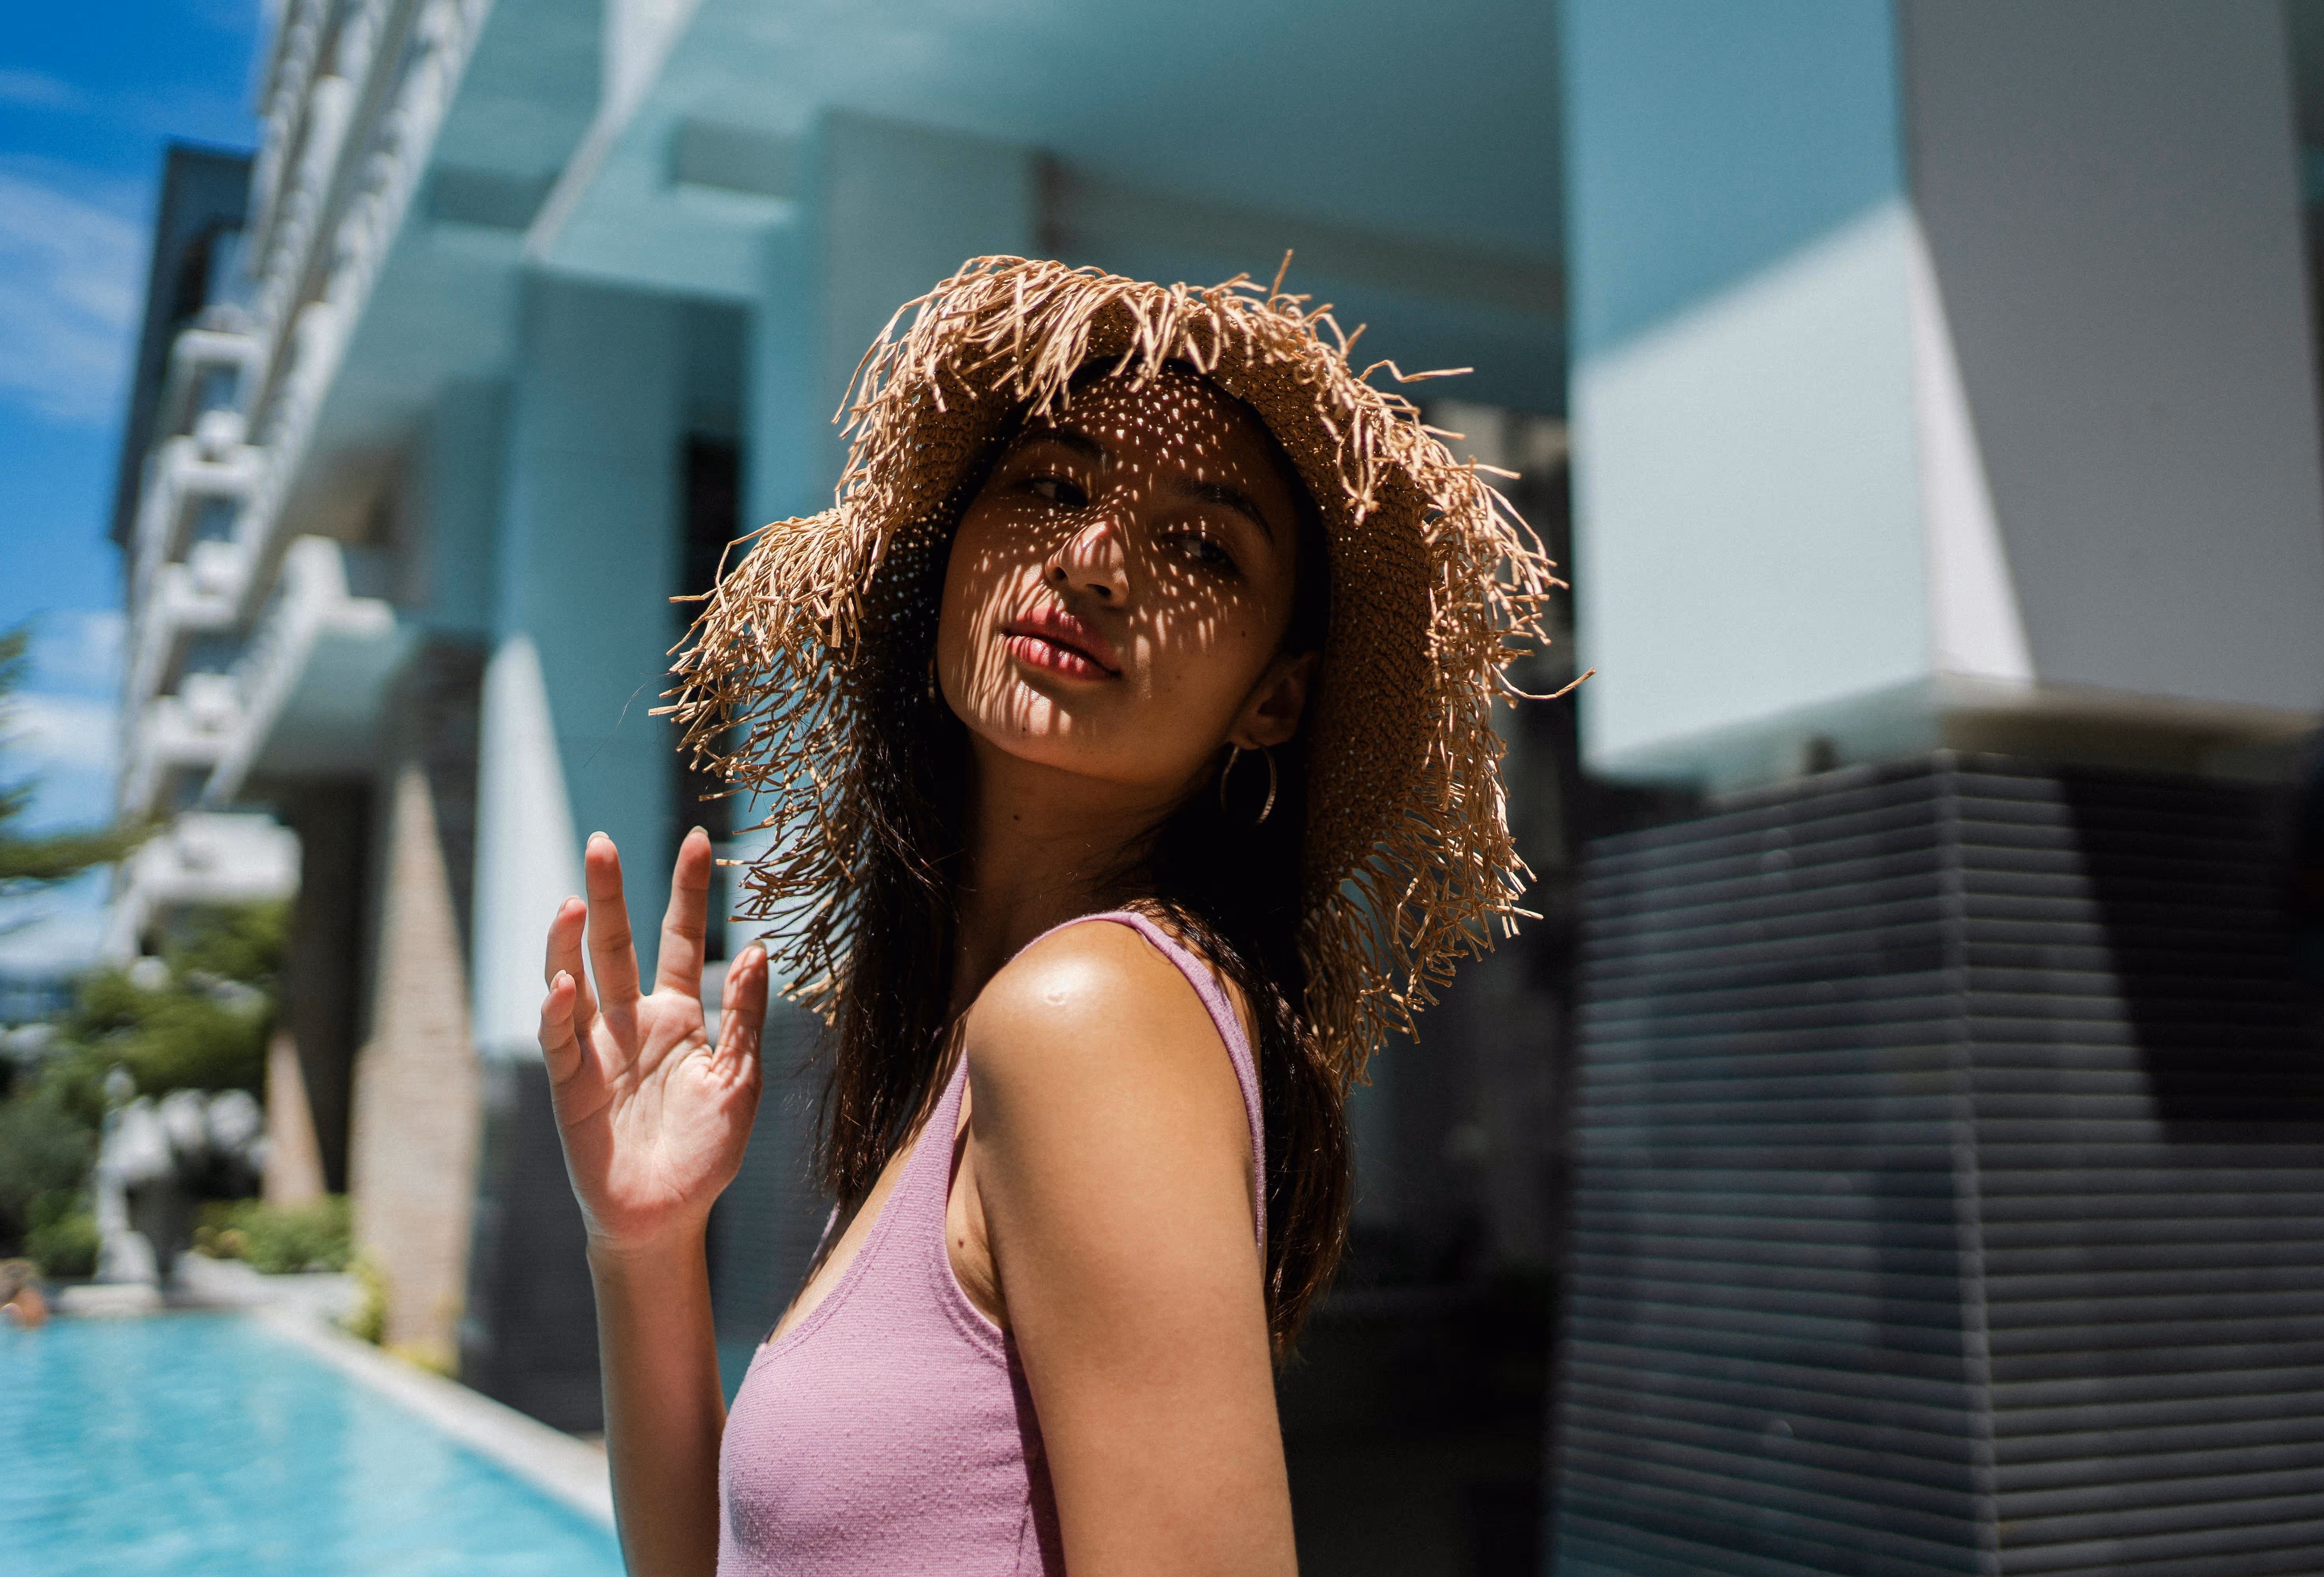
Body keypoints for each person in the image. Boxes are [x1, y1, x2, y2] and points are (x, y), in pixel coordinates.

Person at [536, 257, 1561, 1576]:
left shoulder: (1089, 1017)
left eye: (1202, 547)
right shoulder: (966, 1058)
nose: (1094, 562)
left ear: (1275, 700)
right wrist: (646, 1244)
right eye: (1051, 488)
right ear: (954, 556)